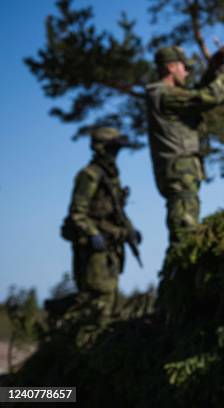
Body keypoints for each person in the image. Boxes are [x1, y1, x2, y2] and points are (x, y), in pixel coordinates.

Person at [146, 45, 224, 246]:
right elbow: (207, 97)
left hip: (179, 171)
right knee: (185, 233)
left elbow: (196, 93)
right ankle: (179, 274)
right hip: (180, 172)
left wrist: (212, 69)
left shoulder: (166, 95)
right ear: (171, 67)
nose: (187, 72)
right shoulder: (165, 95)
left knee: (186, 228)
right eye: (184, 68)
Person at [62, 127, 141, 323]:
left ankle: (96, 339)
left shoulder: (111, 177)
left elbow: (117, 211)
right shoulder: (89, 175)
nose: (116, 154)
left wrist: (130, 231)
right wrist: (92, 234)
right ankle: (70, 330)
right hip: (93, 247)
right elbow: (77, 213)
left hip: (111, 245)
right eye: (113, 149)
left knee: (109, 297)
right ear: (102, 149)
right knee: (96, 296)